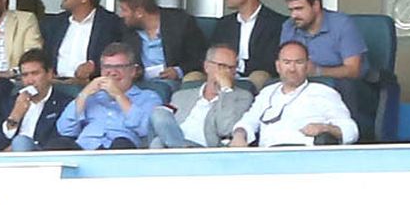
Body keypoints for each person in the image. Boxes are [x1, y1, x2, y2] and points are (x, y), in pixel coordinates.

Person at [230, 40, 358, 147]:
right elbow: (248, 121)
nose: (292, 69)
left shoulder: (324, 92)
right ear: (278, 66)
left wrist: (326, 128)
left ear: (307, 66)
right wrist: (240, 134)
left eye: (299, 62)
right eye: (287, 62)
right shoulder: (267, 92)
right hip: (267, 158)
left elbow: (351, 131)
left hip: (306, 157)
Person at [51, 42, 161, 150]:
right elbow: (65, 130)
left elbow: (145, 129)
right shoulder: (91, 97)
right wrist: (84, 94)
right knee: (58, 144)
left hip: (121, 152)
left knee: (121, 142)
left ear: (133, 71)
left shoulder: (148, 97)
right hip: (86, 150)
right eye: (107, 67)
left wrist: (118, 95)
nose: (112, 73)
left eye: (119, 67)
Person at [150, 43, 254, 149]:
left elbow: (226, 129)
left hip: (206, 150)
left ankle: (180, 149)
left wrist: (226, 91)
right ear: (207, 67)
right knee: (159, 116)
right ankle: (182, 148)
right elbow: (165, 127)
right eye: (222, 66)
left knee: (158, 141)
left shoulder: (242, 97)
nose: (227, 72)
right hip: (176, 145)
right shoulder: (181, 96)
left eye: (232, 68)